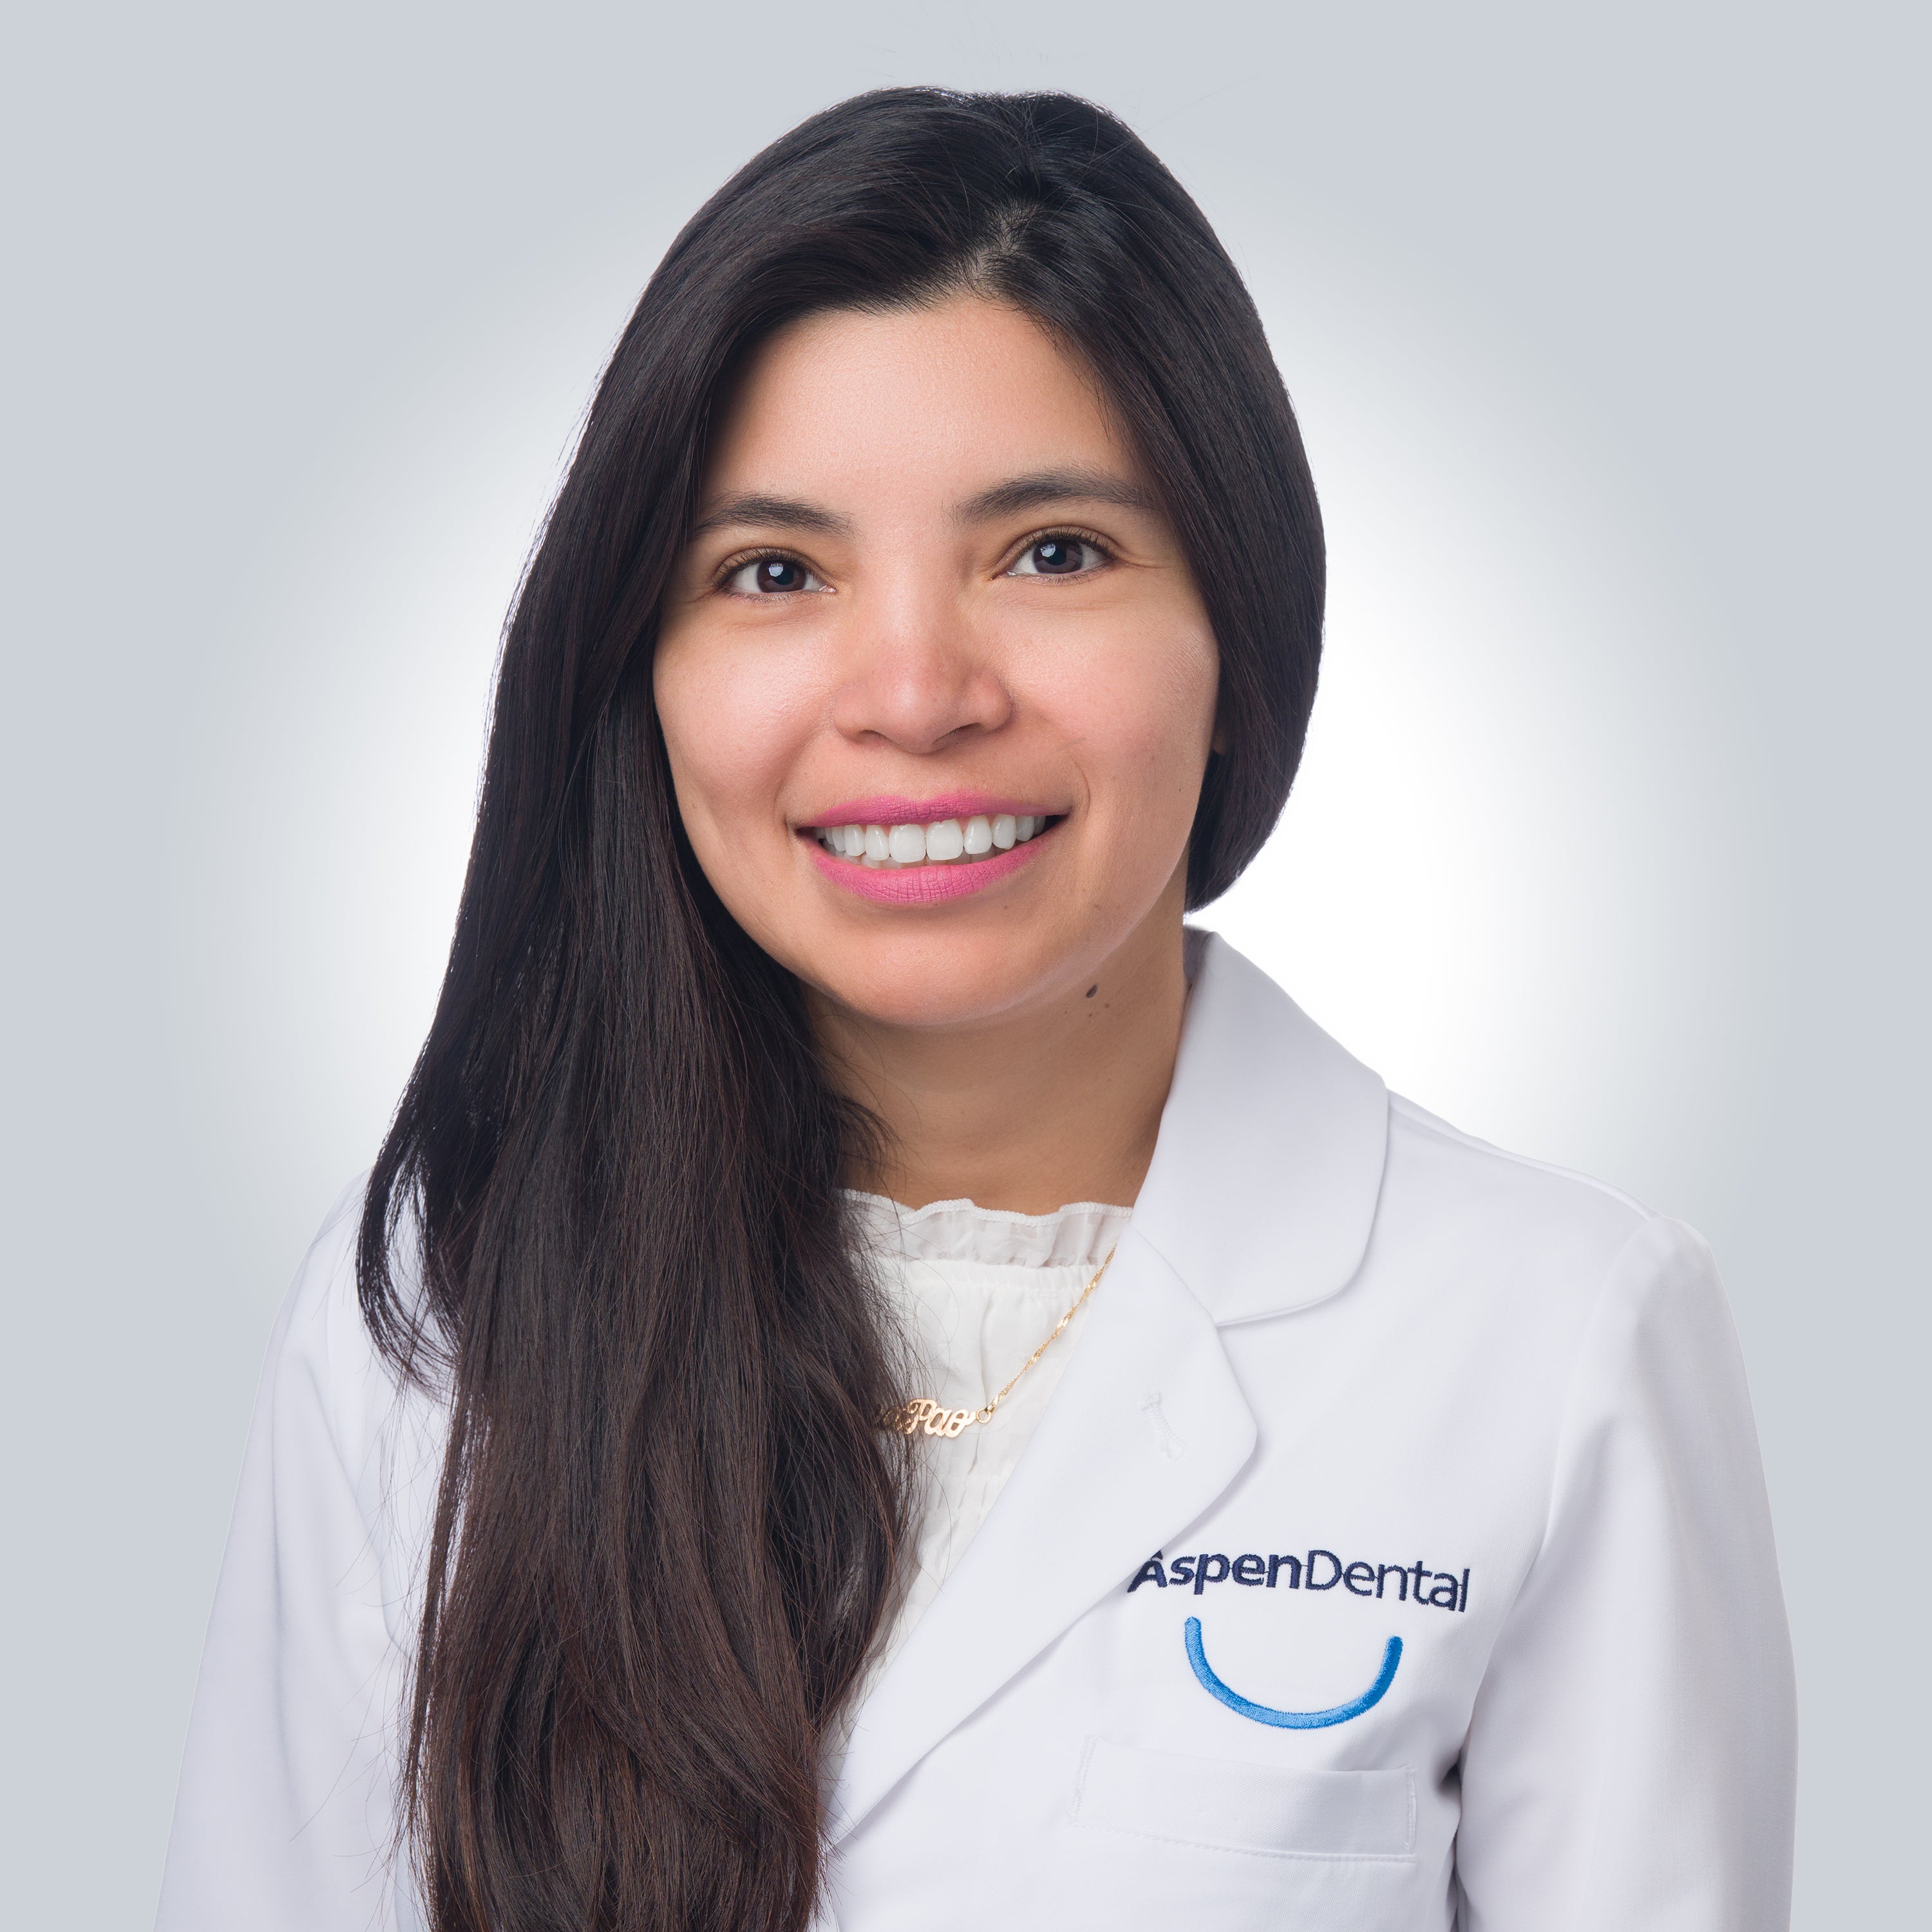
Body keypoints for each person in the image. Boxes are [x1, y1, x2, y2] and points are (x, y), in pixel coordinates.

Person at [154, 88, 1795, 1932]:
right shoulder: (432, 1314)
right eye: (775, 574)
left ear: (1239, 642)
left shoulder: (1556, 1341)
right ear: (642, 675)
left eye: (1052, 552)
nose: (918, 694)